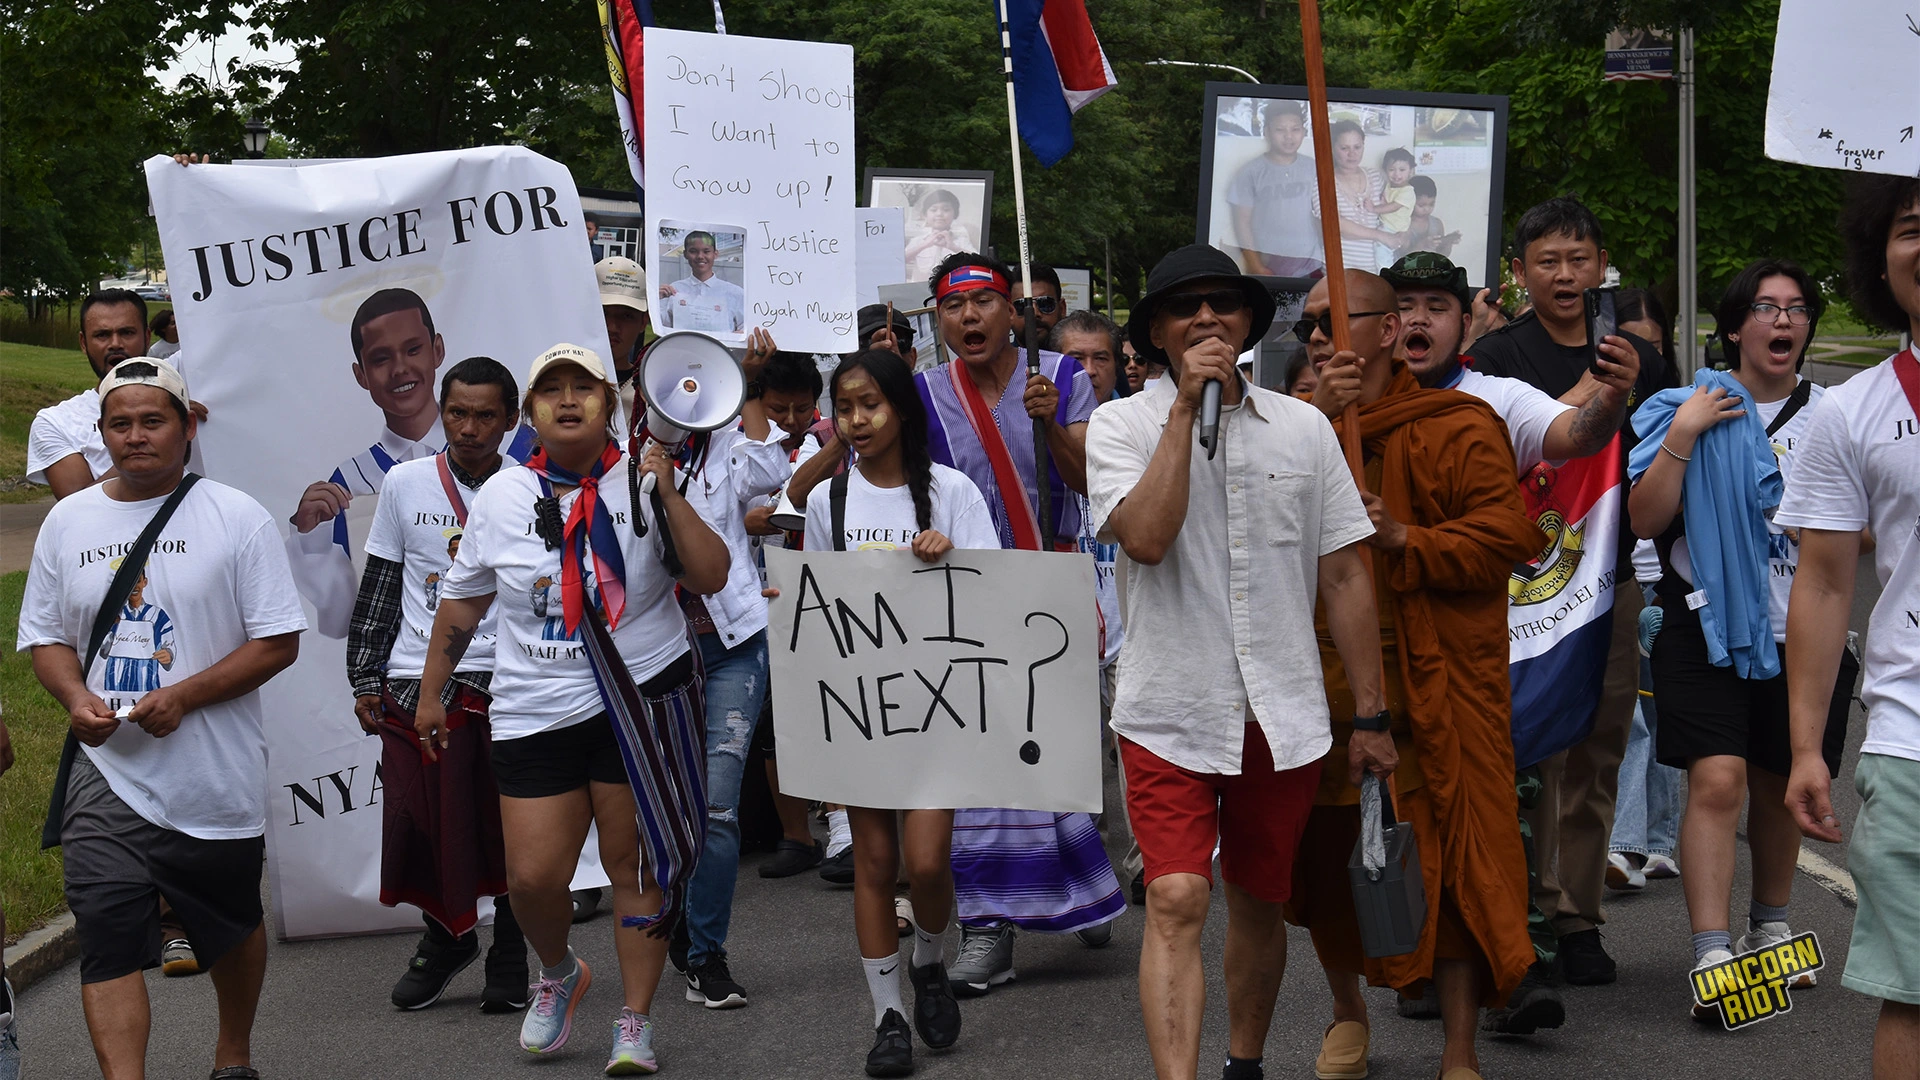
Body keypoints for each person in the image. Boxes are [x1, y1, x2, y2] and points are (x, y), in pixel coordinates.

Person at [1085, 244, 1385, 1080]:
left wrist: (1372, 713)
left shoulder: (1305, 426)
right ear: (1155, 332)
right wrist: (1184, 412)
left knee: (1260, 897)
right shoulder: (1119, 424)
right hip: (1168, 709)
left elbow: (1346, 572)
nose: (1207, 317)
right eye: (1185, 307)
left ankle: (1243, 1064)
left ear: (1252, 321)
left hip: (1281, 713)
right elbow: (1145, 538)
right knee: (1178, 896)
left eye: (1225, 302)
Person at [417, 343, 730, 1073]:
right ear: (529, 413)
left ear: (610, 404)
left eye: (582, 388)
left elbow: (711, 574)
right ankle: (557, 972)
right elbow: (465, 597)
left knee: (635, 867)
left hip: (640, 699)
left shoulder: (651, 477)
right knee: (531, 879)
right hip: (533, 707)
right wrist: (432, 690)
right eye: (550, 390)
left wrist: (666, 491)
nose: (567, 399)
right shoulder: (502, 494)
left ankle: (635, 1020)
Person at [19, 358, 305, 1080]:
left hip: (213, 772)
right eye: (121, 424)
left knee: (232, 921)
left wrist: (186, 696)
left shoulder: (236, 516)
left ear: (186, 427)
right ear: (102, 434)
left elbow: (278, 641)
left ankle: (233, 1057)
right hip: (107, 769)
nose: (136, 436)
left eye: (154, 421)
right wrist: (73, 697)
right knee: (106, 927)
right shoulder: (68, 521)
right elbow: (47, 639)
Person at [1629, 259, 1861, 1012]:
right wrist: (1687, 437)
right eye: (1766, 307)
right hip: (1706, 624)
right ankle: (1712, 949)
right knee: (1719, 778)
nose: (1784, 321)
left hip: (1804, 632)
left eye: (1796, 309)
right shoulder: (1688, 404)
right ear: (1734, 327)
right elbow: (1646, 518)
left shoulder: (1836, 415)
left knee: (1778, 783)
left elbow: (1864, 537)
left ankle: (1771, 928)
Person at [1464, 197, 1674, 986]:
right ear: (1519, 272)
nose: (1565, 275)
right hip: (1519, 591)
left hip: (1610, 583)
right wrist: (1589, 393)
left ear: (1601, 265)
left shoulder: (1640, 358)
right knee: (1530, 754)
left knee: (1598, 750)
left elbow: (1657, 459)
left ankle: (1579, 918)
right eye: (1547, 261)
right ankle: (1523, 911)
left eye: (1579, 260)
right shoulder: (1497, 359)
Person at [911, 251, 1125, 994]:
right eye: (951, 306)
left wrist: (1052, 426)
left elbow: (1089, 478)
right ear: (936, 318)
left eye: (982, 303)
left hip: (1055, 585)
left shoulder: (1061, 379)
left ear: (1012, 310)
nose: (967, 318)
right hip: (964, 599)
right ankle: (988, 928)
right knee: (983, 767)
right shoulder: (921, 393)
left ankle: (1085, 883)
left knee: (1055, 758)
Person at [802, 348, 995, 1077]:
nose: (856, 420)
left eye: (870, 405)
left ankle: (930, 959)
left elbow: (996, 591)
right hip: (861, 714)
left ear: (902, 411)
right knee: (875, 863)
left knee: (926, 861)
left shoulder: (952, 493)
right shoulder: (830, 502)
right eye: (845, 407)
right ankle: (888, 1020)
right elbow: (817, 609)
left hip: (937, 710)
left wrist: (952, 559)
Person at [1780, 172, 1920, 1080]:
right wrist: (1806, 749)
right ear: (1883, 257)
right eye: (1913, 228)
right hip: (1911, 743)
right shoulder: (1850, 409)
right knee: (1911, 990)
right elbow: (1826, 586)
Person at [346, 357, 530, 1013]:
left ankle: (511, 951)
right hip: (415, 680)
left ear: (512, 420)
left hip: (511, 682)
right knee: (421, 823)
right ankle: (446, 938)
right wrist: (365, 674)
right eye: (458, 413)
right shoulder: (405, 483)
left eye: (486, 415)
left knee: (507, 826)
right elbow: (382, 586)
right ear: (441, 411)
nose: (470, 428)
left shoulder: (537, 487)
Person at [663, 329, 791, 1007]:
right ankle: (670, 925)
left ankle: (706, 952)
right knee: (661, 806)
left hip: (732, 646)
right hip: (654, 652)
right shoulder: (619, 452)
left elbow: (773, 471)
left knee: (717, 807)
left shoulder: (726, 442)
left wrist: (748, 387)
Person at [286, 288, 450, 639]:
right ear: (361, 375)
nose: (400, 368)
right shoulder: (346, 483)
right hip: (401, 672)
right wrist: (311, 538)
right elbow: (343, 616)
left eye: (413, 349)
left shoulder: (496, 451)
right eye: (380, 359)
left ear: (437, 350)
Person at [1050, 311, 1139, 890]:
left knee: (1138, 746)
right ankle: (1091, 866)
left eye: (1100, 357)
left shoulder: (1141, 426)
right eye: (1075, 359)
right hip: (1062, 623)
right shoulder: (1034, 431)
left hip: (1134, 621)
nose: (1088, 369)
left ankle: (1146, 864)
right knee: (1074, 755)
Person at [1609, 287, 1685, 890]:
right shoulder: (1599, 406)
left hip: (1672, 583)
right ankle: (1625, 845)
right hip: (1619, 579)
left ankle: (1659, 840)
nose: (1644, 360)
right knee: (1633, 716)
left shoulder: (1683, 409)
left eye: (1654, 348)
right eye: (1632, 345)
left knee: (1666, 716)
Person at [28, 289, 149, 498]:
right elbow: (76, 506)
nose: (115, 344)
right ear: (83, 343)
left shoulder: (186, 401)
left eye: (127, 332)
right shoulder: (56, 422)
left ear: (147, 337)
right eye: (102, 335)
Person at [1226, 101, 1324, 278]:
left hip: (1311, 265)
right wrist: (1256, 266)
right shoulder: (1250, 172)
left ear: (1303, 131)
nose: (1289, 136)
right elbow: (1242, 223)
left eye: (1295, 129)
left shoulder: (1315, 168)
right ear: (1267, 133)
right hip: (1268, 267)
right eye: (1280, 130)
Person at [1310, 120, 1398, 277]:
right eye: (1344, 148)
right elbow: (1335, 224)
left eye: (1357, 147)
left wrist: (1403, 234)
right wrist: (1381, 236)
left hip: (1377, 270)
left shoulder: (1376, 177)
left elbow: (1396, 209)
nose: (1352, 154)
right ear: (1332, 148)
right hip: (1340, 272)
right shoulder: (1322, 181)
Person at [658, 231, 746, 334]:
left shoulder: (735, 293)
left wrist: (739, 336)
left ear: (715, 254)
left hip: (721, 349)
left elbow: (745, 326)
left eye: (706, 251)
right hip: (682, 348)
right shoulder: (674, 290)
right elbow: (663, 327)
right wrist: (656, 300)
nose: (700, 256)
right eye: (693, 251)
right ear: (685, 254)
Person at [597, 255, 652, 408]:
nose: (612, 327)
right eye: (603, 312)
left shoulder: (651, 398)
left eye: (627, 316)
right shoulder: (550, 382)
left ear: (643, 322)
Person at [904, 189, 975, 280]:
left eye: (946, 210)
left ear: (955, 214)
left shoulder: (961, 241)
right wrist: (924, 245)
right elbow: (900, 261)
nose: (939, 214)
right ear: (925, 214)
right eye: (933, 210)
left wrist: (953, 246)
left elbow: (978, 261)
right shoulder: (918, 240)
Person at [1368, 148, 1417, 267]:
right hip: (1387, 225)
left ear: (1411, 171)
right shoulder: (1390, 186)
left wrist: (1374, 208)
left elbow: (1393, 207)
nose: (1397, 174)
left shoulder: (1408, 191)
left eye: (1402, 170)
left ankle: (1385, 275)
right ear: (1385, 170)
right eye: (1391, 169)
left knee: (1382, 253)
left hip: (1394, 229)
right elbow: (1387, 202)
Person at [1397, 177, 1463, 258]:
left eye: (1431, 204)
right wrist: (1422, 245)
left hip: (1432, 269)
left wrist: (1448, 242)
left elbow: (1442, 256)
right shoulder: (1403, 225)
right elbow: (1403, 260)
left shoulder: (1437, 224)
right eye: (1421, 205)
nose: (1427, 209)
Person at [1010, 264, 1065, 346]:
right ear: (1009, 312)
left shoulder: (1080, 358)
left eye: (1045, 304)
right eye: (1021, 305)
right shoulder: (993, 358)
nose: (1034, 313)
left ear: (1062, 309)